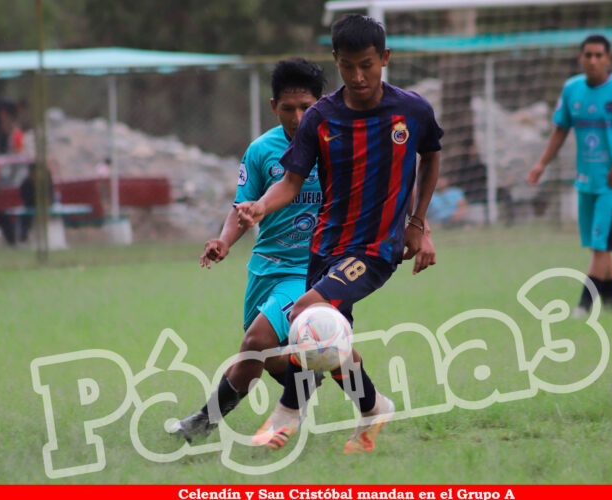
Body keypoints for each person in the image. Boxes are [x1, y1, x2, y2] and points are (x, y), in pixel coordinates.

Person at [237, 14, 443, 454]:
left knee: (307, 313)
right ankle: (373, 408)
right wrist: (260, 205)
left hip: (376, 248)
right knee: (330, 340)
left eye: (367, 64)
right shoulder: (320, 118)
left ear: (384, 59)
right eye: (347, 66)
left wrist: (418, 224)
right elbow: (290, 182)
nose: (358, 75)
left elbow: (431, 157)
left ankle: (287, 413)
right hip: (327, 247)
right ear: (335, 61)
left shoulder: (412, 110)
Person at [167, 58, 328, 443]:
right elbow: (242, 208)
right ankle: (312, 382)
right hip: (264, 268)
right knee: (260, 358)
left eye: (306, 107)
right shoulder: (260, 150)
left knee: (254, 342)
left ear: (319, 105)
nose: (297, 116)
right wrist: (223, 241)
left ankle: (199, 426)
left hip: (307, 271)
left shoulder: (333, 148)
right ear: (274, 107)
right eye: (288, 108)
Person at [527, 34, 612, 315]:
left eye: (598, 55)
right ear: (580, 58)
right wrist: (541, 164)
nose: (592, 60)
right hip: (586, 180)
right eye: (588, 55)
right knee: (601, 245)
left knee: (600, 245)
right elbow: (560, 129)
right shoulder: (572, 89)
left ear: (608, 59)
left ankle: (584, 305)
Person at [18, 163, 54, 242]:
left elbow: (50, 196)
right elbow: (26, 199)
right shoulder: (26, 184)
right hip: (31, 208)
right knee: (25, 220)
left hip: (45, 208)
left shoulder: (45, 181)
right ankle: (23, 237)